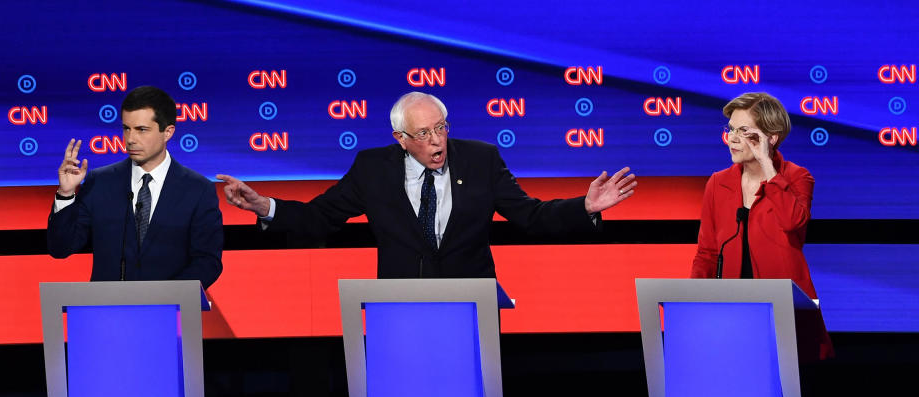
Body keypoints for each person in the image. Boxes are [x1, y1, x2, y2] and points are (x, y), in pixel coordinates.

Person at [216, 91, 636, 279]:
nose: (436, 141)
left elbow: (531, 215)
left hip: (471, 308)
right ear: (401, 139)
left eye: (441, 128)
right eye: (423, 134)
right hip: (398, 310)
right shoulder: (373, 168)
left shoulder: (481, 159)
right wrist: (264, 206)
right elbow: (320, 218)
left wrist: (585, 206)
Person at [691, 91, 832, 359]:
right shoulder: (717, 183)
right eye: (731, 129)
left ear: (771, 138)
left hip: (784, 312)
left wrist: (768, 166)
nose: (732, 138)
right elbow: (706, 253)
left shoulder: (797, 177)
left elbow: (792, 221)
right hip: (733, 314)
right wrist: (693, 306)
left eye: (743, 131)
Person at [48, 85, 223, 289]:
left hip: (169, 314)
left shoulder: (198, 190)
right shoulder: (100, 182)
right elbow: (61, 248)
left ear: (167, 132)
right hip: (108, 312)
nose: (130, 139)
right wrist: (66, 194)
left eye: (141, 130)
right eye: (126, 128)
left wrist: (167, 298)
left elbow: (208, 262)